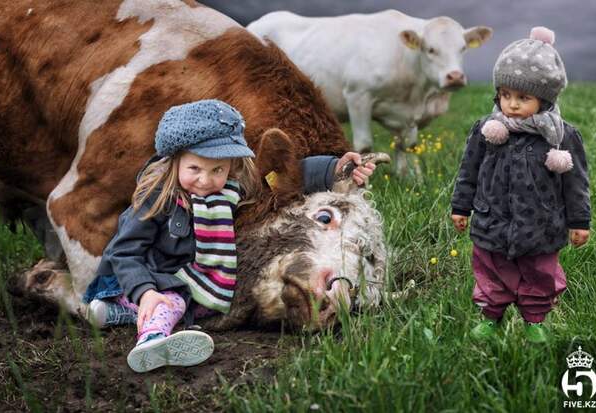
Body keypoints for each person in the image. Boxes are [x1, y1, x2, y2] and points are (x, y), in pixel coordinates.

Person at [83, 99, 376, 372]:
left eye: (217, 170)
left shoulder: (228, 190)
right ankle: (152, 342)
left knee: (202, 306)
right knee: (172, 303)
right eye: (195, 168)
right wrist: (146, 292)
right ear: (174, 162)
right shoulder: (155, 199)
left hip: (186, 277)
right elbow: (124, 253)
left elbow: (288, 174)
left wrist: (333, 168)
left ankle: (116, 314)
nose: (205, 180)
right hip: (146, 277)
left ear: (232, 167)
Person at [450, 27, 590, 343]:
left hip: (540, 225)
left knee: (539, 271)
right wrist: (461, 206)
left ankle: (535, 319)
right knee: (490, 269)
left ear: (544, 98)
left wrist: (579, 221)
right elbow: (468, 171)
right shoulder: (487, 130)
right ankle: (490, 316)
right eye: (505, 95)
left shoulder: (563, 137)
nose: (511, 105)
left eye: (523, 98)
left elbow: (576, 183)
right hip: (492, 220)